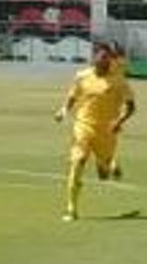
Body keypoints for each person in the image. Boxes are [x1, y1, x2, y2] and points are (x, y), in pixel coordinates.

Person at [55, 41, 136, 221]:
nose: (103, 60)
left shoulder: (118, 80)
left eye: (107, 57)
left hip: (107, 131)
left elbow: (131, 106)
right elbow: (72, 96)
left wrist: (119, 121)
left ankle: (109, 163)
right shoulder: (82, 76)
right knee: (78, 161)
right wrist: (63, 110)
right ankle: (71, 209)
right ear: (94, 57)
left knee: (104, 175)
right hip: (83, 126)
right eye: (100, 56)